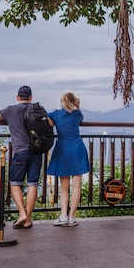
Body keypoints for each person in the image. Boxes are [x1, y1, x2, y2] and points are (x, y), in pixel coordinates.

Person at [0, 85, 49, 229]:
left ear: (17, 97)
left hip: (20, 152)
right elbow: (49, 123)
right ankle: (27, 219)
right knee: (32, 184)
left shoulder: (11, 110)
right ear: (31, 97)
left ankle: (22, 213)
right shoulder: (38, 109)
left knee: (15, 184)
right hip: (36, 151)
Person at [47, 92, 91, 227]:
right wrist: (78, 105)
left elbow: (46, 121)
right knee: (76, 185)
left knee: (64, 187)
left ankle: (63, 216)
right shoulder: (78, 114)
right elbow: (79, 115)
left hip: (63, 148)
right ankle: (72, 217)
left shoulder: (55, 114)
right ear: (73, 101)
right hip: (77, 148)